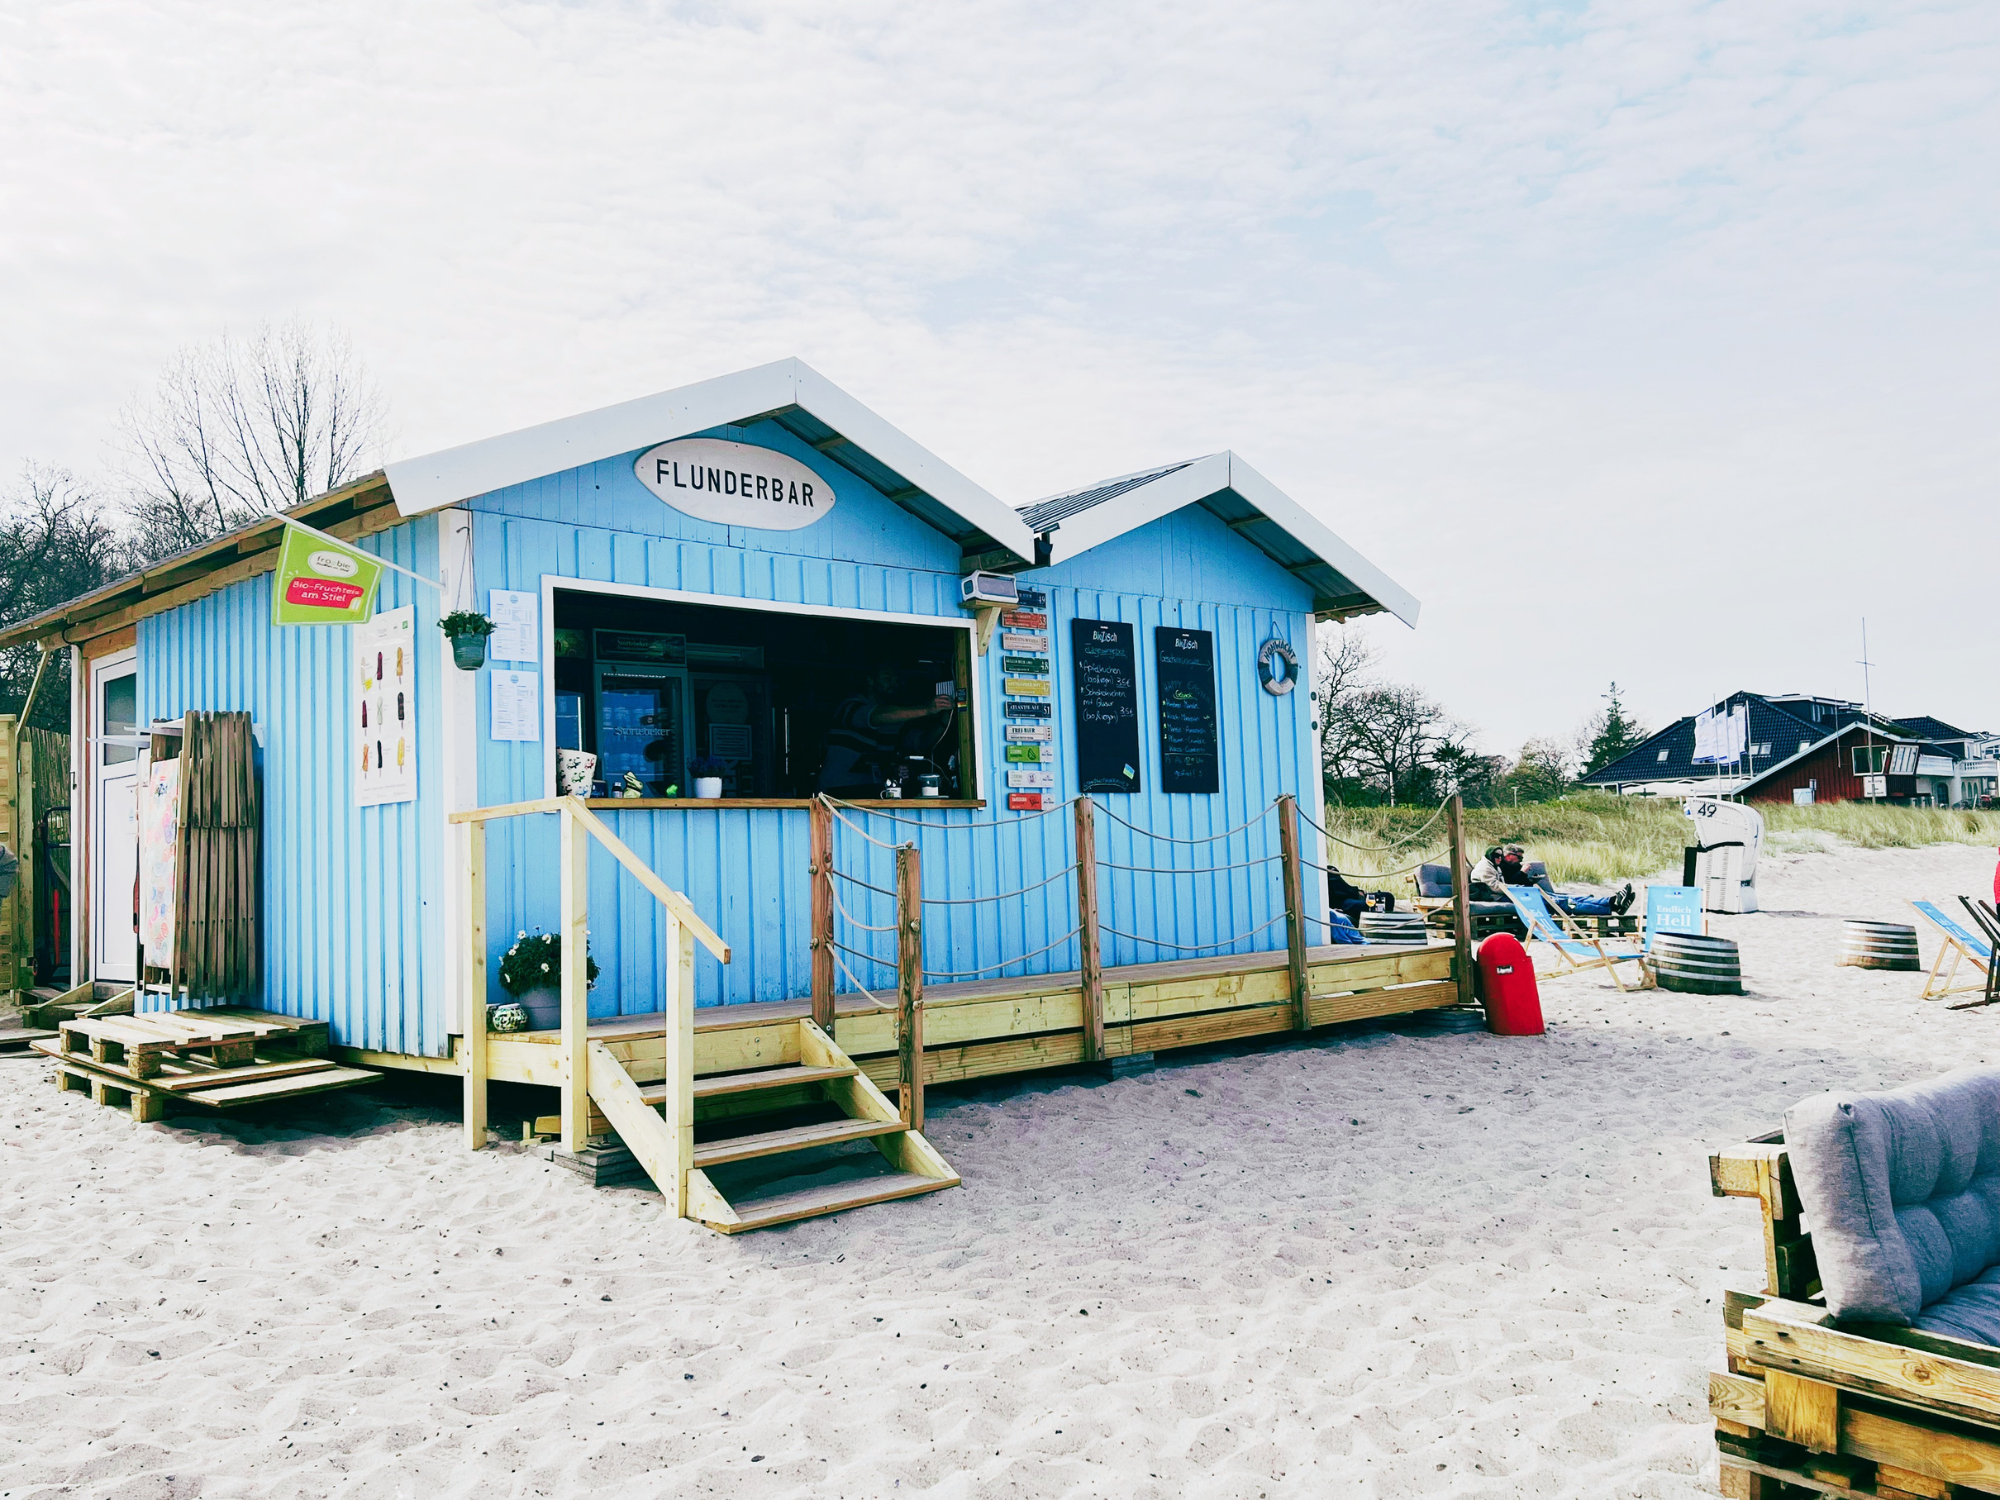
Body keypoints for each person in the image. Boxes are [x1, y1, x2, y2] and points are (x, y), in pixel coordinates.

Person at [817, 665, 954, 797]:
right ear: (870, 680)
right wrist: (927, 709)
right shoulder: (850, 706)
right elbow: (876, 716)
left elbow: (922, 743)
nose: (894, 683)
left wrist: (945, 717)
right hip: (836, 791)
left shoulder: (897, 718)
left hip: (874, 792)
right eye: (888, 678)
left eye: (896, 680)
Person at [1499, 844, 1633, 916]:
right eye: (1519, 858)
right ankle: (1613, 904)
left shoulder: (1513, 866)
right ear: (1510, 855)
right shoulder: (1502, 867)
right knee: (1566, 902)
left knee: (1570, 897)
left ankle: (1613, 903)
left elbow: (1521, 883)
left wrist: (1531, 879)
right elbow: (1510, 884)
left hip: (1529, 892)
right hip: (1522, 896)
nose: (1520, 861)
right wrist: (1522, 872)